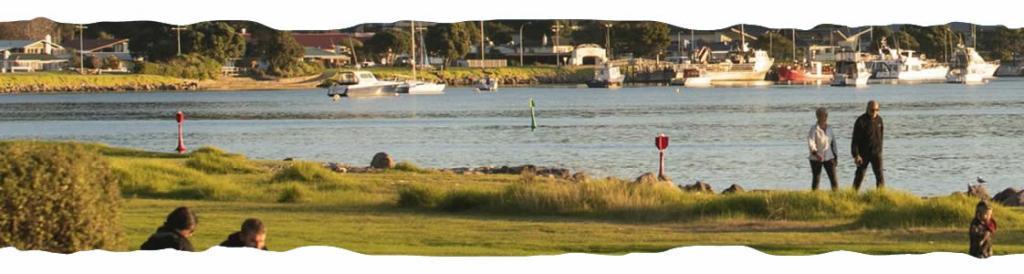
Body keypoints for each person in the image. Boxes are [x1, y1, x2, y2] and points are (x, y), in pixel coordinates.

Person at [851, 100, 885, 191]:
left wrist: (880, 150)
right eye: (872, 110)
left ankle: (881, 195)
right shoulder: (861, 121)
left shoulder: (879, 120)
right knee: (860, 175)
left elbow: (881, 136)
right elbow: (855, 140)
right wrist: (856, 155)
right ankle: (853, 194)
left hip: (876, 153)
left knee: (880, 175)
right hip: (863, 154)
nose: (874, 112)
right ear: (867, 109)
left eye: (877, 110)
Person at [807, 107, 838, 191]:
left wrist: (835, 157)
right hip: (816, 158)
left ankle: (837, 196)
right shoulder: (813, 129)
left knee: (834, 179)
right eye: (821, 115)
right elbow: (811, 142)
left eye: (825, 115)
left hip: (829, 157)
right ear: (817, 117)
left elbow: (833, 143)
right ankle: (814, 196)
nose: (824, 117)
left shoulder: (830, 128)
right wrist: (816, 153)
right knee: (816, 179)